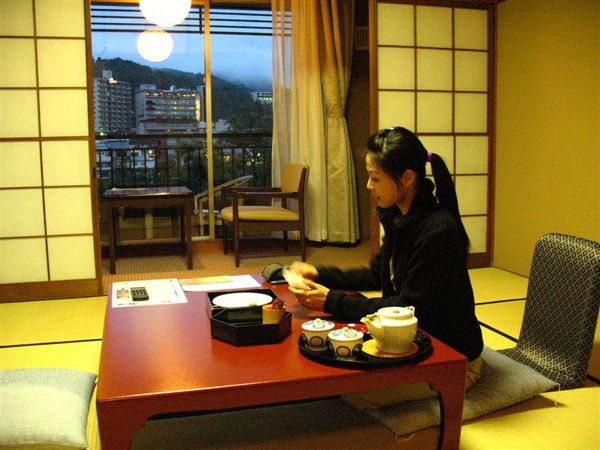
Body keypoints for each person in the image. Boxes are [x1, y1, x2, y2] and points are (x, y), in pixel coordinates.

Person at [288, 126, 483, 409]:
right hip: (411, 341)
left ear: (407, 178)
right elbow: (375, 275)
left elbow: (405, 308)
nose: (369, 186)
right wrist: (319, 273)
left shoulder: (438, 230)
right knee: (334, 374)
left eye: (375, 178)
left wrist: (331, 301)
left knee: (351, 393)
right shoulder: (398, 217)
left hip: (451, 358)